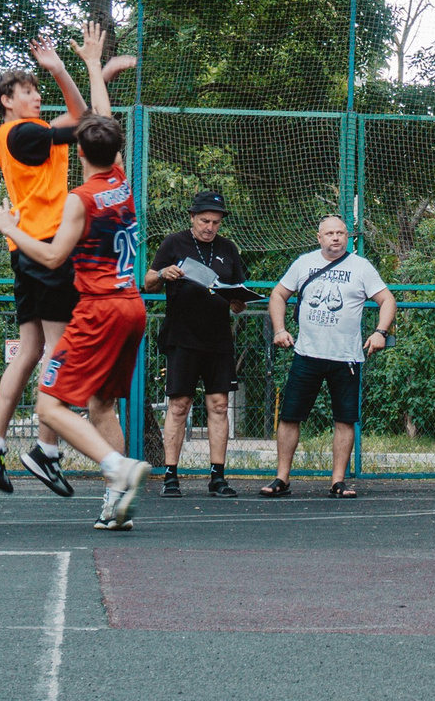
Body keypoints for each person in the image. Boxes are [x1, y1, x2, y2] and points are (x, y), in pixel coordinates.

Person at [0, 24, 153, 531]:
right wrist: (91, 68)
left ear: (78, 153)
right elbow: (100, 121)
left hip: (99, 310)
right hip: (134, 307)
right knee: (103, 404)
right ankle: (115, 504)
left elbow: (55, 258)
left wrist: (9, 226)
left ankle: (117, 468)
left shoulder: (78, 202)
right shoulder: (121, 181)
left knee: (52, 404)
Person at [0, 35, 129, 496]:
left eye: (39, 89)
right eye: (29, 91)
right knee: (60, 349)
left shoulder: (30, 134)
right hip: (46, 250)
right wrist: (68, 69)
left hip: (27, 252)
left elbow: (81, 118)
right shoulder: (25, 133)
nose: (38, 96)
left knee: (32, 347)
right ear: (7, 100)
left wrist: (94, 73)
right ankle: (45, 448)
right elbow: (87, 123)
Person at [265, 216, 396, 498]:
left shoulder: (361, 267)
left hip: (346, 358)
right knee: (289, 417)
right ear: (319, 237)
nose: (335, 238)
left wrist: (380, 332)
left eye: (340, 233)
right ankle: (281, 478)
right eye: (330, 233)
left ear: (347, 236)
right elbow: (278, 294)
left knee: (344, 420)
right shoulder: (304, 263)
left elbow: (387, 299)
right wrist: (279, 329)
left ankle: (338, 481)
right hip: (306, 353)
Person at [150, 190, 252, 499]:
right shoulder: (174, 243)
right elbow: (147, 280)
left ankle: (217, 477)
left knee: (219, 405)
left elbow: (238, 292)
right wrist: (164, 274)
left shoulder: (228, 249)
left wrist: (238, 303)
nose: (210, 227)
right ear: (193, 218)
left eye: (216, 222)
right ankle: (170, 476)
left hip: (218, 338)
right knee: (179, 405)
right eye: (205, 221)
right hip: (182, 337)